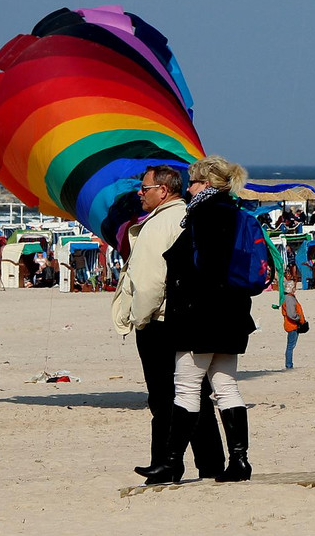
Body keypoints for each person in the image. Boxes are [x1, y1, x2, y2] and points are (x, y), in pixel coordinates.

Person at [139, 157, 261, 486]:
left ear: (206, 183)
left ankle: (170, 463)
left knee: (187, 390)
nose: (189, 188)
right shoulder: (235, 212)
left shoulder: (203, 214)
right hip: (233, 315)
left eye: (192, 182)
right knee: (226, 387)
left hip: (201, 317)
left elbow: (202, 268)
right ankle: (239, 461)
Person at [112, 164, 214, 483]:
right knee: (195, 391)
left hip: (160, 320)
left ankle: (164, 463)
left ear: (163, 191)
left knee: (162, 397)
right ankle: (211, 462)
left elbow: (149, 281)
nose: (139, 193)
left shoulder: (159, 225)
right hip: (188, 317)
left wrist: (139, 320)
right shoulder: (189, 214)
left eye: (145, 188)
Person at [281, 293, 307, 370]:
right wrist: (299, 318)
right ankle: (289, 365)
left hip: (292, 324)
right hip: (292, 325)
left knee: (291, 346)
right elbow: (291, 314)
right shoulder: (289, 298)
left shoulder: (289, 297)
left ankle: (289, 364)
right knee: (290, 346)